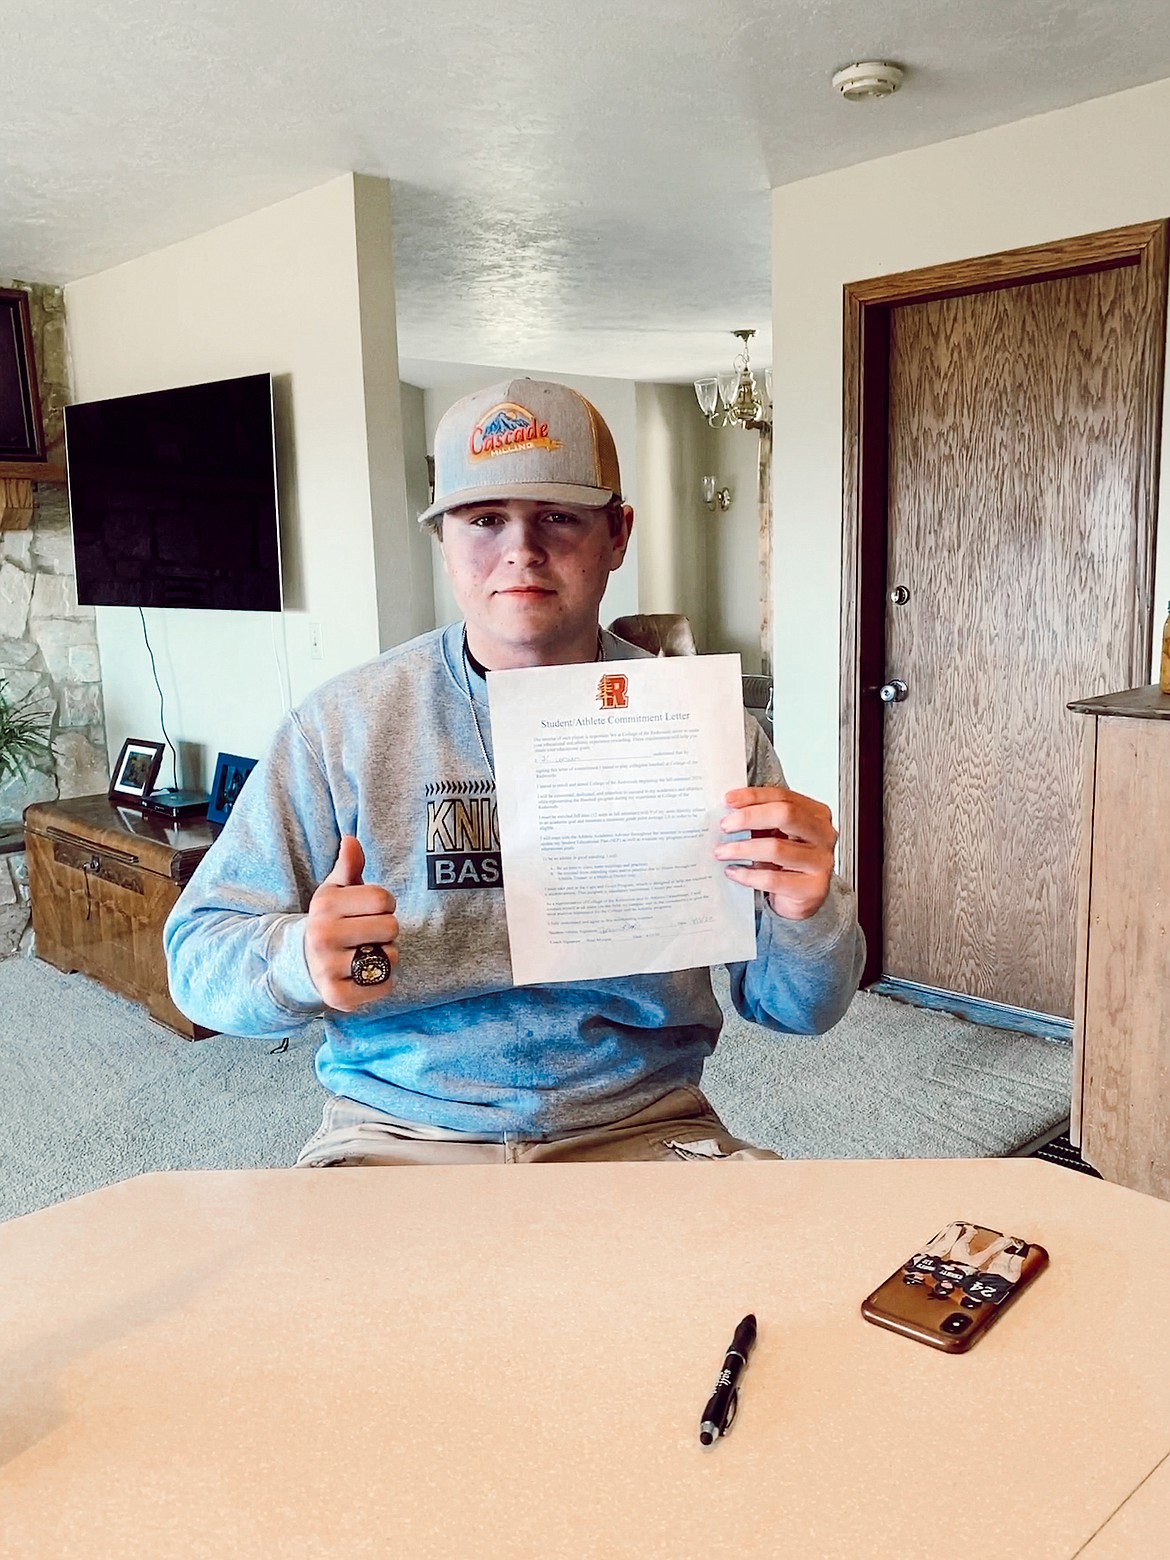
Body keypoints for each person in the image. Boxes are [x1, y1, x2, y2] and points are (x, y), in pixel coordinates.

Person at [164, 378, 865, 1165]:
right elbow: (196, 961)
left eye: (558, 517)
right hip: (396, 1130)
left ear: (618, 533)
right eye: (485, 519)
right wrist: (298, 957)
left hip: (642, 1122)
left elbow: (800, 1011)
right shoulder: (341, 727)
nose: (521, 550)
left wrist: (807, 911)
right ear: (444, 540)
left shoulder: (707, 733)